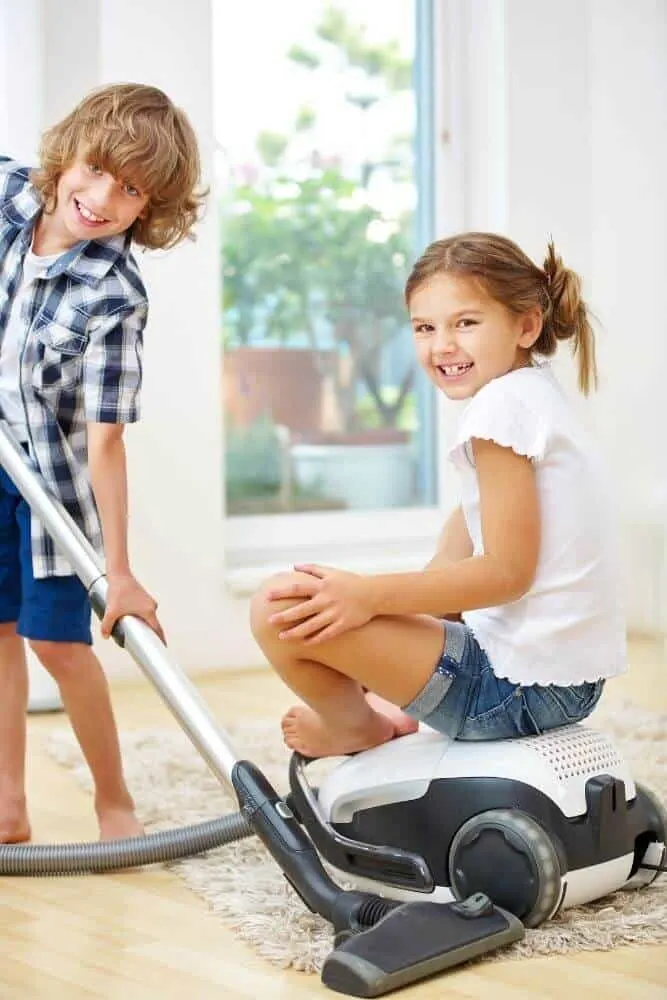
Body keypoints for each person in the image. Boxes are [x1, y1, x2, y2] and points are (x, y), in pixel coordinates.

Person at [250, 232, 627, 758]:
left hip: (515, 691)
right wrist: (379, 628)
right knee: (432, 565)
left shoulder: (500, 412)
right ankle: (392, 703)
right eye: (425, 328)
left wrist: (367, 597)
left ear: (526, 325)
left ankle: (353, 726)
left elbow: (505, 575)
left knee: (279, 606)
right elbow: (456, 555)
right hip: (562, 683)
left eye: (465, 323)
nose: (442, 345)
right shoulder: (532, 395)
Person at [0, 83, 206, 842]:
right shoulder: (8, 196)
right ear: (67, 156)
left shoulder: (115, 292)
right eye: (96, 169)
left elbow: (105, 437)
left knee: (56, 641)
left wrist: (120, 572)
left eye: (130, 190)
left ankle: (113, 801)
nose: (101, 198)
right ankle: (7, 805)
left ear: (148, 210)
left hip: (48, 487)